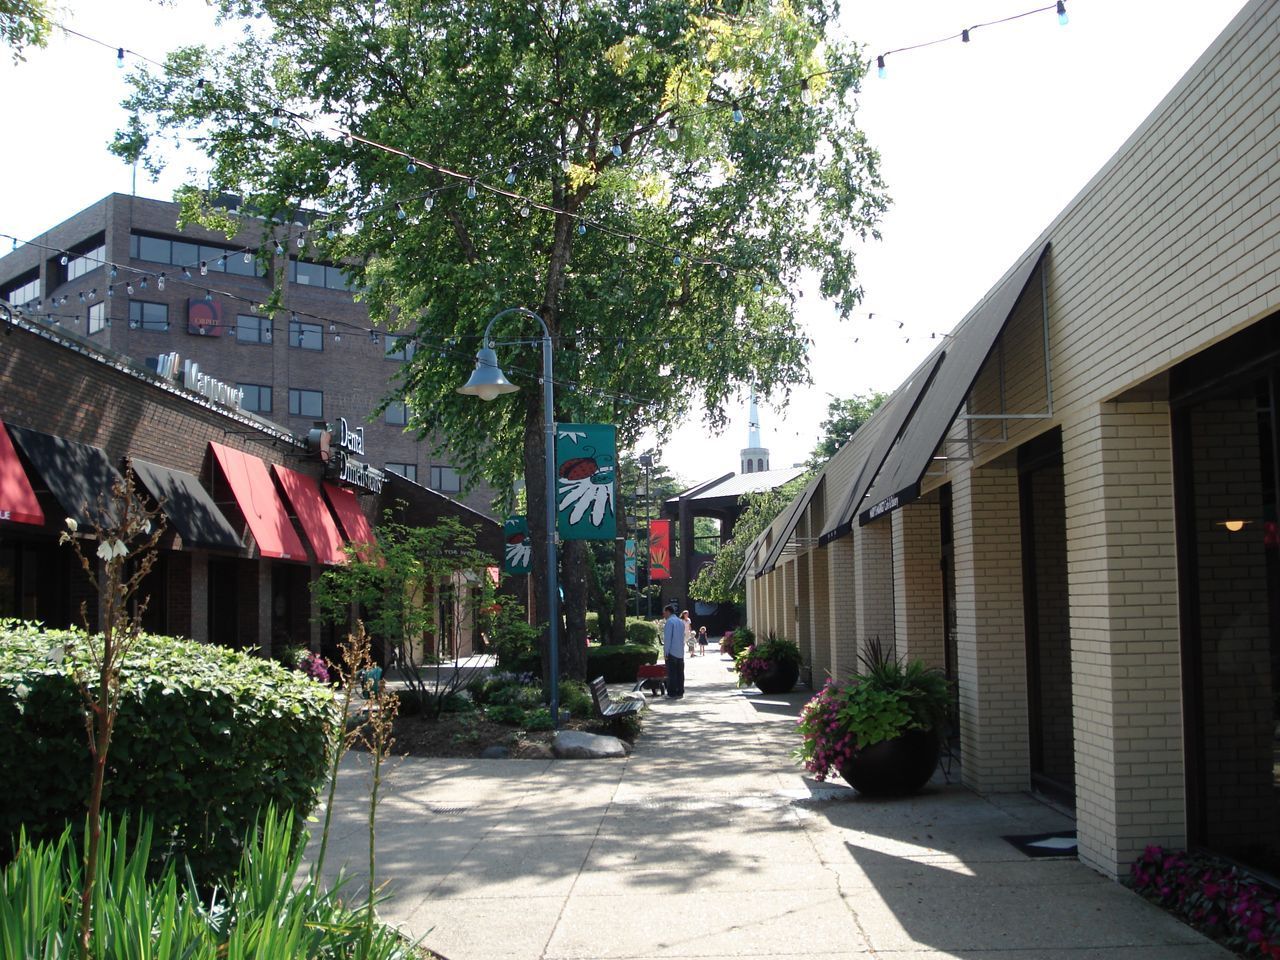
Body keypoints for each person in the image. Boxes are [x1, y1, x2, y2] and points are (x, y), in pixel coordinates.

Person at [662, 602, 685, 698]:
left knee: (672, 673)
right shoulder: (680, 622)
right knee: (680, 673)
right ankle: (680, 691)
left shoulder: (669, 622)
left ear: (668, 612)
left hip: (671, 651)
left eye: (664, 613)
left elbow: (668, 639)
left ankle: (672, 692)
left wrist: (666, 652)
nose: (663, 615)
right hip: (680, 651)